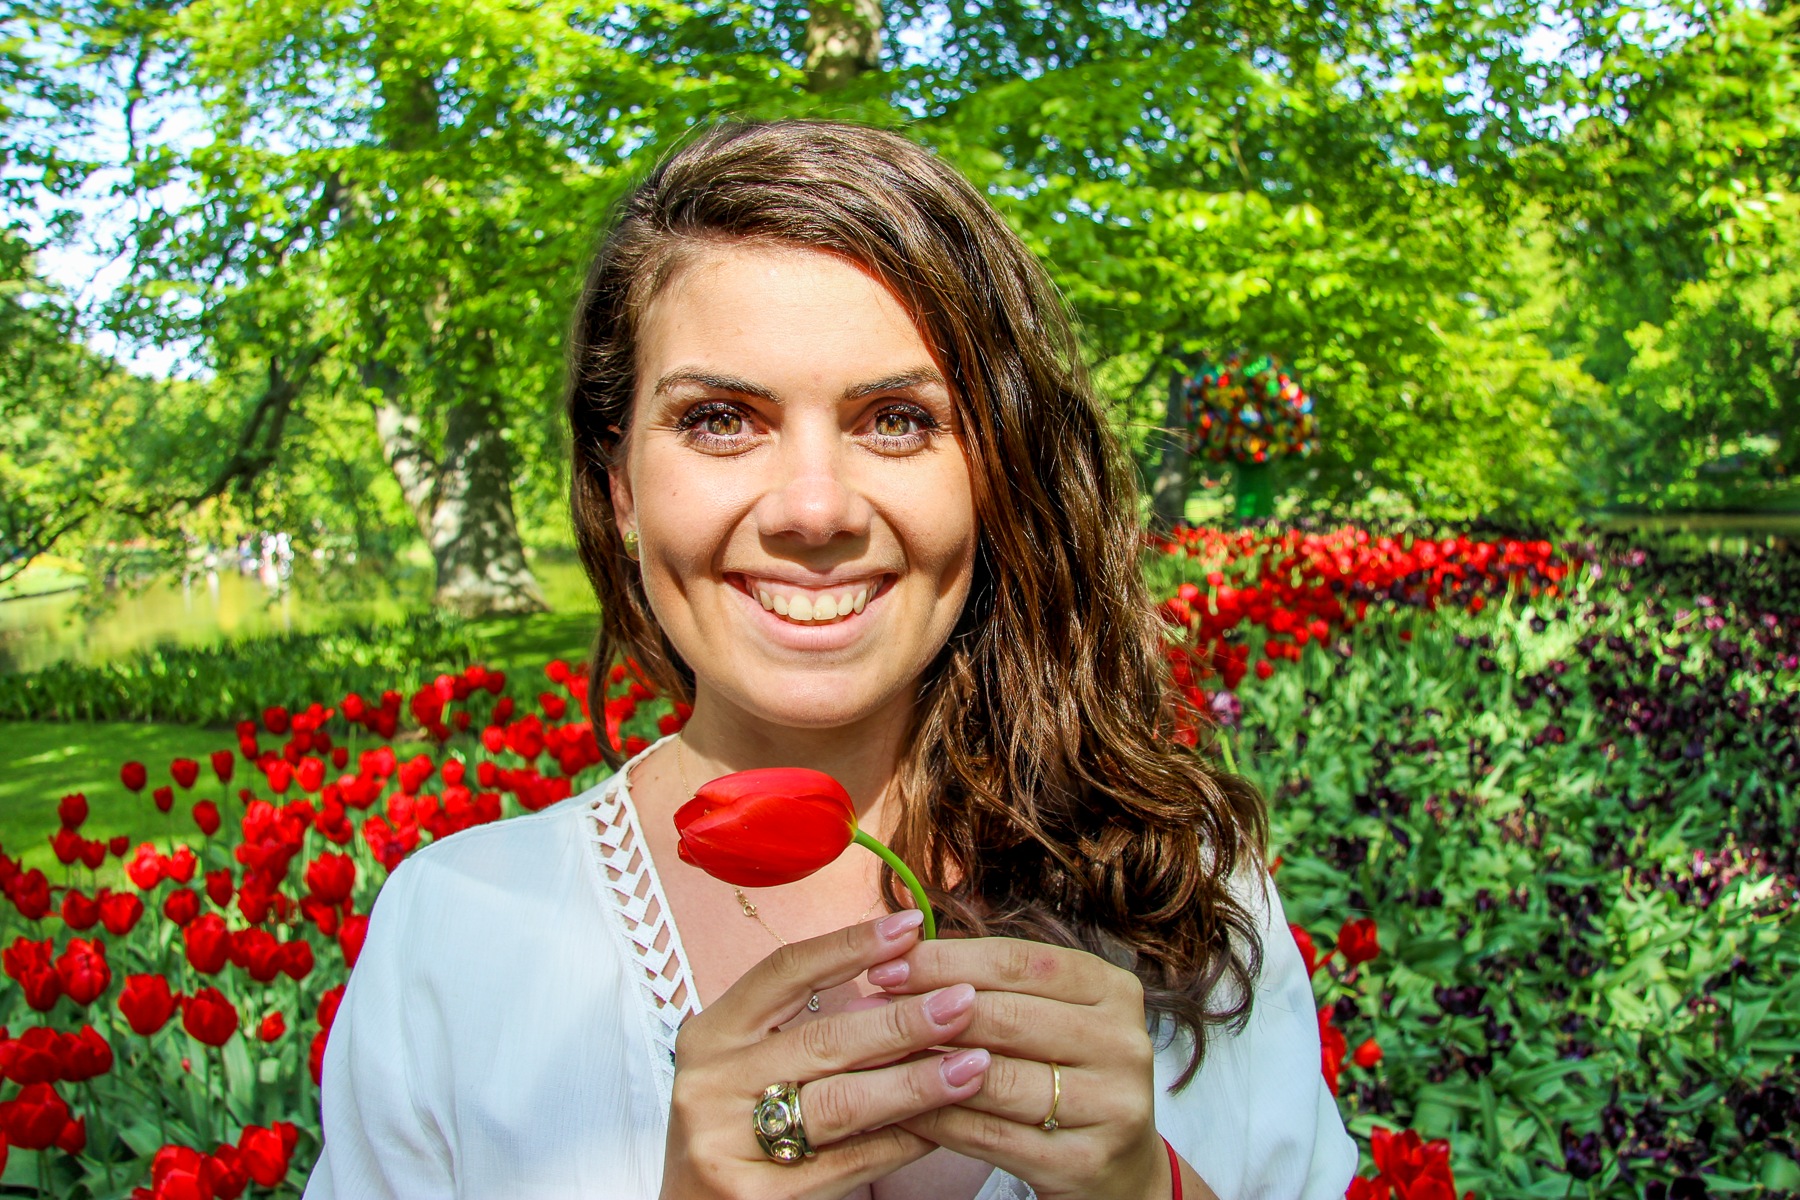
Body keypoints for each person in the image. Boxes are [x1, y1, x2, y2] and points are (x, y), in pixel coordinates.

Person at [305, 120, 1356, 1200]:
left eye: (896, 420)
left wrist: (1146, 1188)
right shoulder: (460, 938)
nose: (815, 510)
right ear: (620, 487)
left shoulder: (1176, 894)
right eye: (721, 420)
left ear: (994, 474)